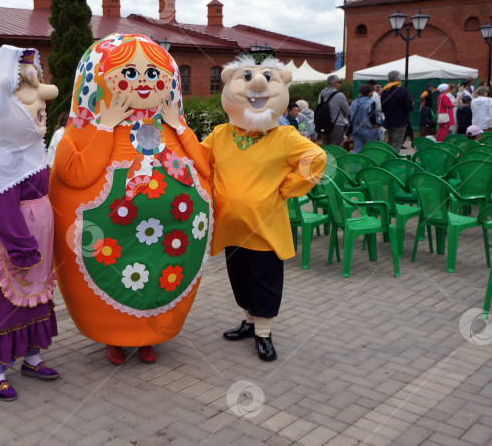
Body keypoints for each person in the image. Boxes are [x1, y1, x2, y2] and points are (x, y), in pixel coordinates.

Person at [49, 33, 211, 366]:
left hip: (171, 235)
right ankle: (114, 339)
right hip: (110, 235)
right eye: (128, 73)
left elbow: (204, 167)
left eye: (152, 74)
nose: (141, 83)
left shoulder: (173, 126)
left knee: (160, 278)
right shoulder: (85, 127)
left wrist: (178, 128)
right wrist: (106, 126)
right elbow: (76, 174)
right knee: (114, 277)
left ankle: (150, 336)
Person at [202, 56, 326, 361]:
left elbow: (317, 158)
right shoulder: (220, 134)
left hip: (264, 226)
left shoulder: (284, 136)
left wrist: (288, 188)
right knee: (240, 277)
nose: (256, 86)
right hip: (231, 226)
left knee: (264, 279)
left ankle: (263, 333)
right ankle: (248, 320)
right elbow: (195, 160)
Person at [0, 46, 61, 401]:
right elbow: (3, 204)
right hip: (11, 240)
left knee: (37, 298)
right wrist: (21, 243)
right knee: (3, 302)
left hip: (39, 235)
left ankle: (32, 356)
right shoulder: (0, 153)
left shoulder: (32, 148)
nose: (41, 101)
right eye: (28, 93)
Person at [380, 70, 413, 152]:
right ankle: (392, 163)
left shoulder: (384, 92)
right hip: (400, 123)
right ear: (398, 79)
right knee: (396, 147)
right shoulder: (403, 91)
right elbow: (409, 108)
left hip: (389, 122)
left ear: (388, 80)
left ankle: (388, 161)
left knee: (390, 145)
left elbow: (383, 108)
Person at [318, 74, 349, 147]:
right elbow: (348, 111)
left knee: (326, 148)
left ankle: (327, 159)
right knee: (336, 149)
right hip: (336, 125)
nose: (340, 84)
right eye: (339, 82)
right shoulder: (339, 95)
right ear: (335, 83)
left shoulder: (321, 95)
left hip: (323, 125)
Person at [349, 83, 380, 153]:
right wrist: (375, 126)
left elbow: (349, 114)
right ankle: (369, 163)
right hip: (368, 130)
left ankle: (356, 163)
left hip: (356, 129)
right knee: (370, 150)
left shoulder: (354, 102)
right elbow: (372, 115)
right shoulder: (371, 102)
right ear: (369, 93)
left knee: (357, 149)